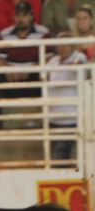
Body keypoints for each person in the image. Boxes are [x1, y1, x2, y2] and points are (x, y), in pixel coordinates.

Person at [47, 34, 86, 163]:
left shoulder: (79, 57)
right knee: (58, 154)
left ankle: (57, 178)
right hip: (53, 116)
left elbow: (81, 67)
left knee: (60, 156)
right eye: (59, 44)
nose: (61, 47)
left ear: (72, 45)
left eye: (65, 44)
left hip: (71, 117)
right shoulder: (53, 61)